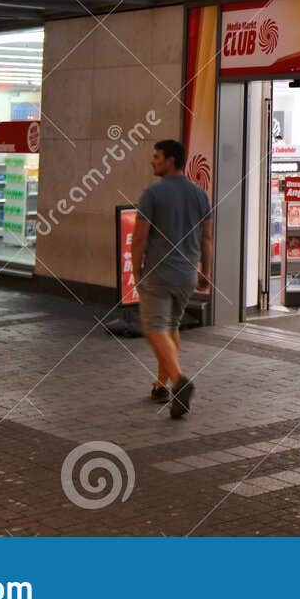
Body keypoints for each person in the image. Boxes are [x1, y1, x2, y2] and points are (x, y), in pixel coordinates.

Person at [132, 139, 213, 419]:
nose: (152, 161)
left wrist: (135, 268)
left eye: (157, 157)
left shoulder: (152, 193)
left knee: (155, 328)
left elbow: (140, 236)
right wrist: (206, 270)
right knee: (170, 326)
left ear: (170, 160)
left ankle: (179, 380)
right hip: (187, 275)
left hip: (159, 274)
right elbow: (207, 237)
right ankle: (160, 385)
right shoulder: (201, 195)